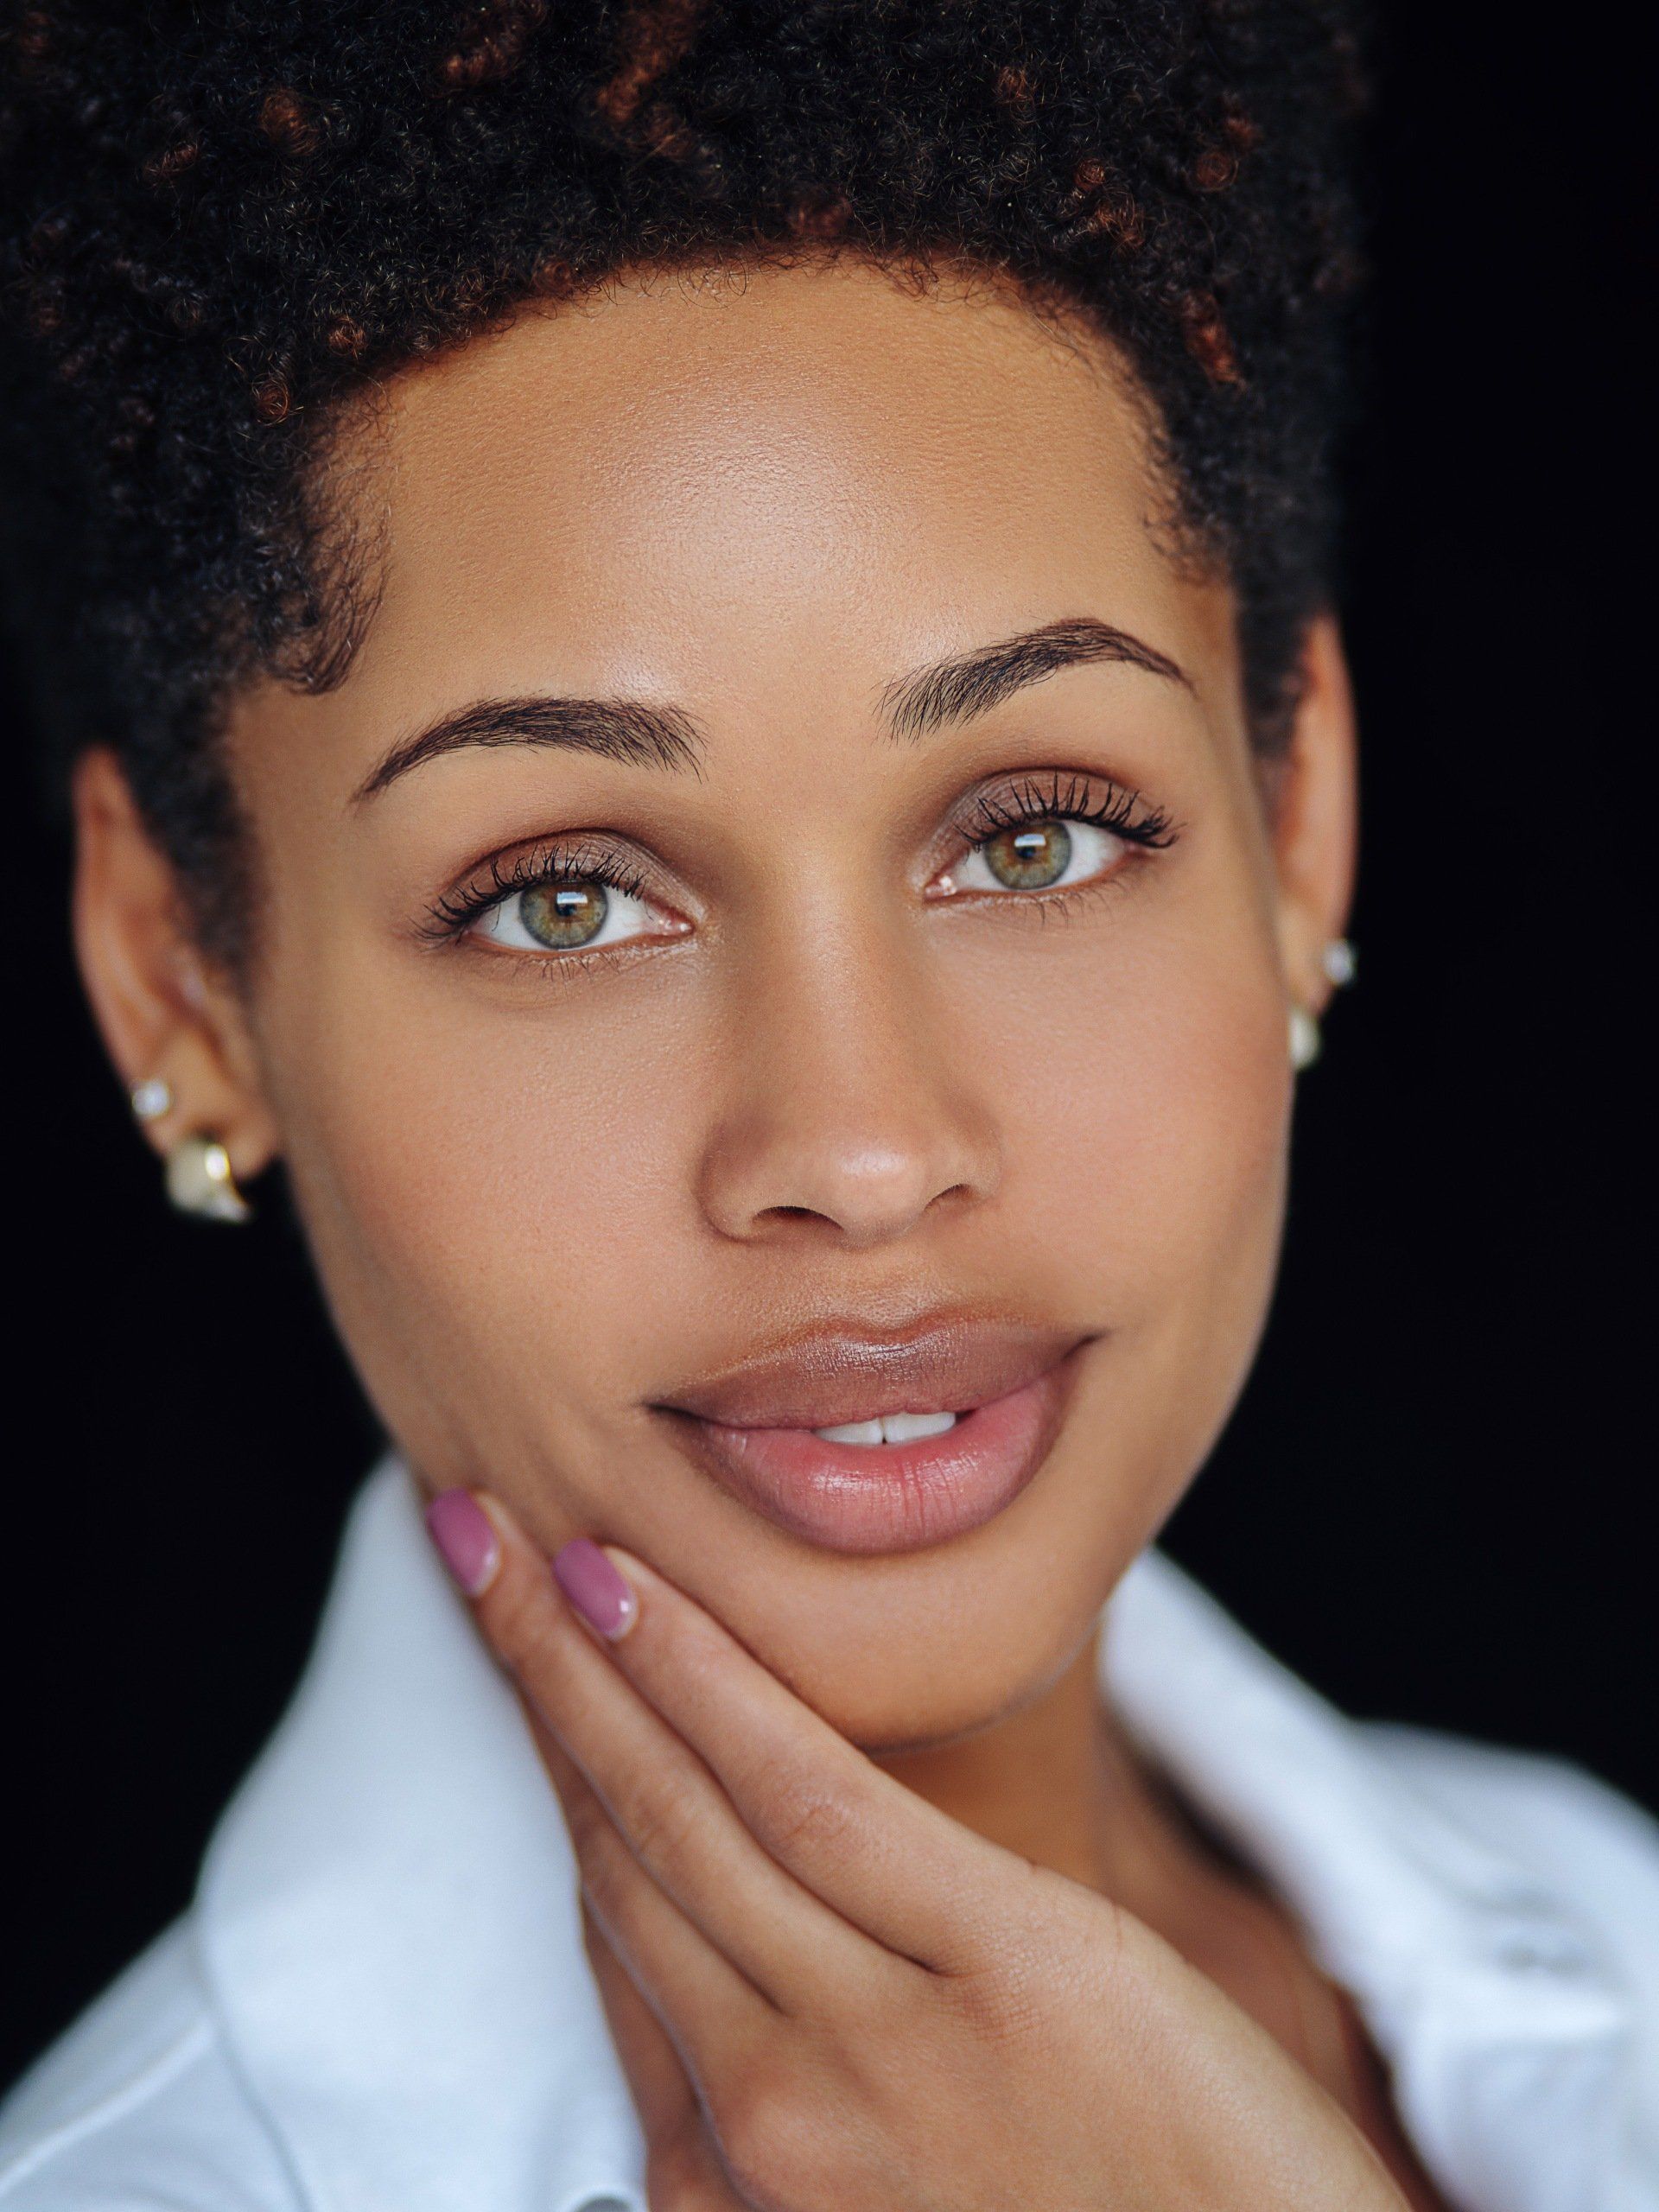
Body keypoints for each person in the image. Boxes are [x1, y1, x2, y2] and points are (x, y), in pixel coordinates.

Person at [2, 4, 1654, 2208]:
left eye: (1035, 835)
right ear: (182, 974)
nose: (863, 1149)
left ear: (1299, 819)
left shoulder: (1610, 1920)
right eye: (568, 897)